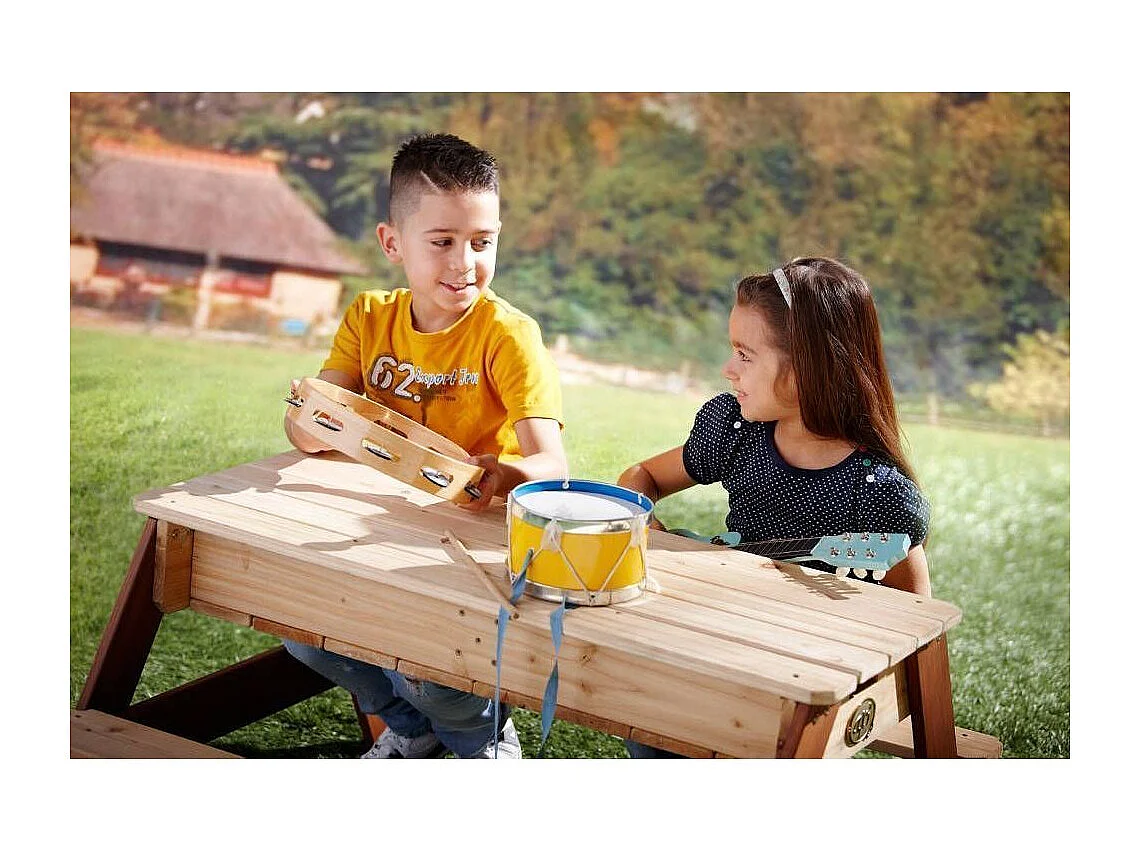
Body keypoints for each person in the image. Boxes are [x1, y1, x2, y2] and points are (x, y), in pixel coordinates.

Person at [283, 133, 568, 759]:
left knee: (428, 673)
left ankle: (484, 743)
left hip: (464, 543)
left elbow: (553, 463)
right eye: (442, 242)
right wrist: (310, 420)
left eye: (481, 242)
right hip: (365, 527)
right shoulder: (369, 317)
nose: (464, 262)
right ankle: (412, 736)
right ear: (393, 243)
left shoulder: (509, 335)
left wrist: (508, 471)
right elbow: (309, 422)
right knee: (301, 636)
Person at [616, 257, 931, 757]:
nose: (727, 368)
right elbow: (643, 476)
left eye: (745, 354)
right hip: (718, 638)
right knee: (650, 718)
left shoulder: (877, 491)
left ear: (810, 367)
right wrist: (645, 523)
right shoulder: (737, 431)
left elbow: (917, 627)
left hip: (799, 680)